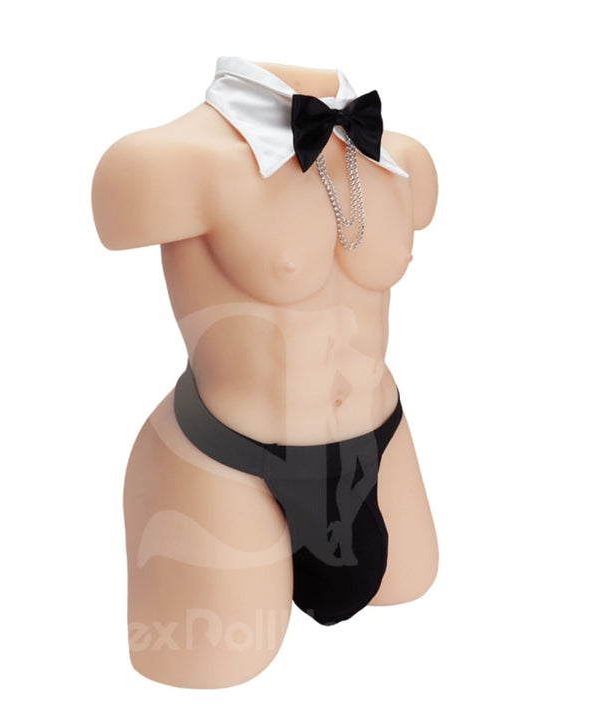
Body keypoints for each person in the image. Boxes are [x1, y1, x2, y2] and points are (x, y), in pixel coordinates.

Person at [91, 56, 439, 689]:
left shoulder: (403, 157)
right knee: (209, 670)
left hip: (381, 449)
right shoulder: (166, 161)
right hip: (225, 467)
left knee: (410, 594)